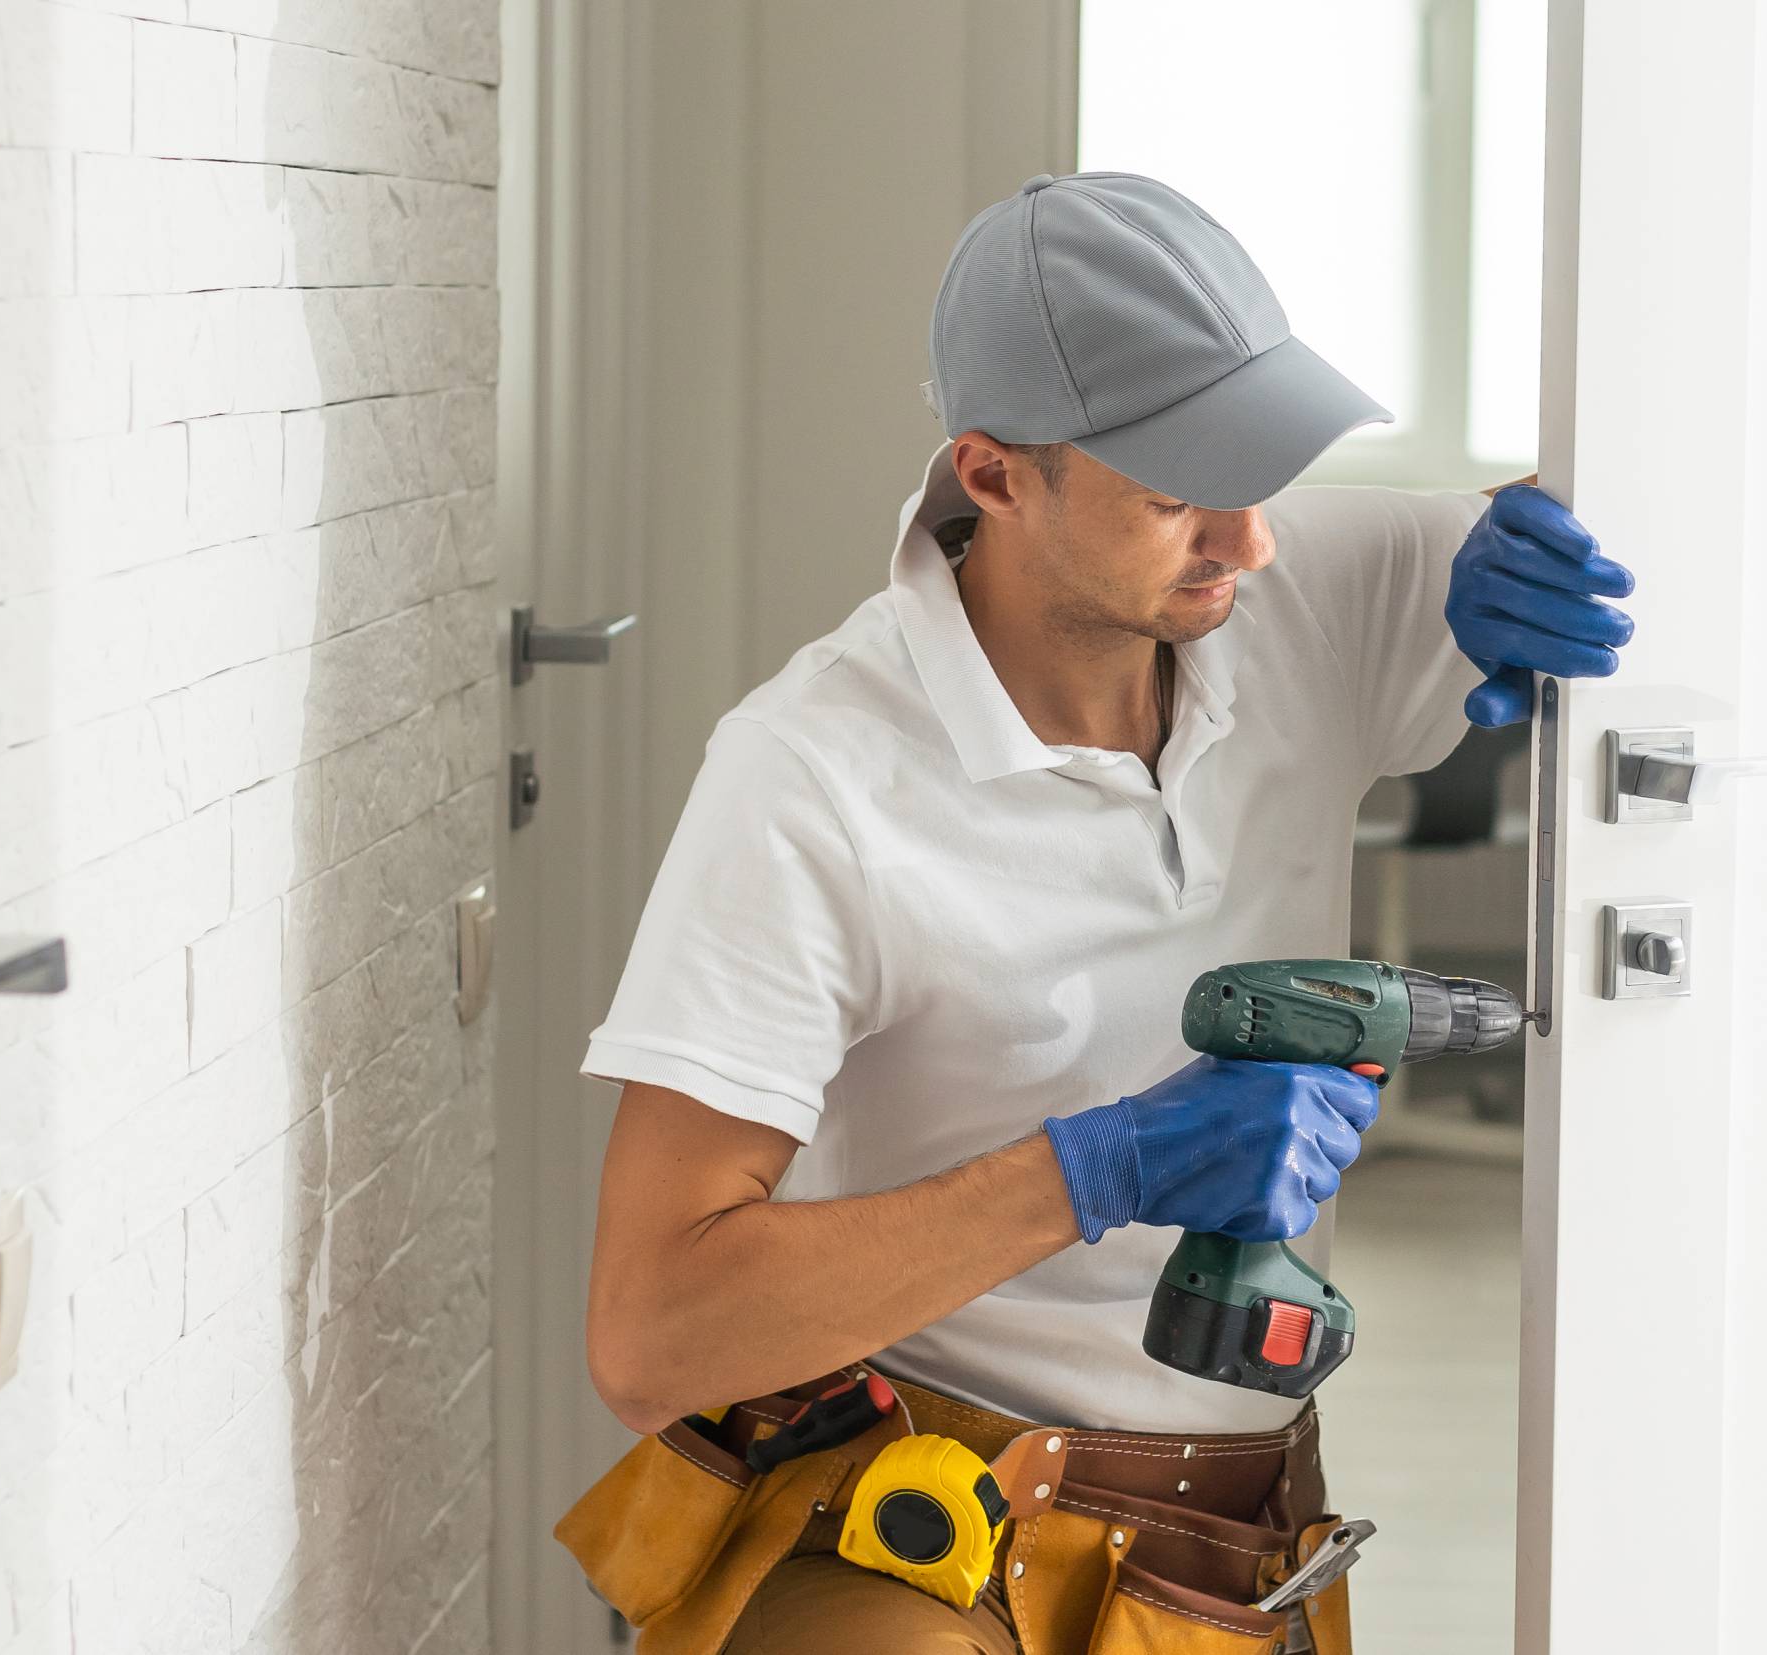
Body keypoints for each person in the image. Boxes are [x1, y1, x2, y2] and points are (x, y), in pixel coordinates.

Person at [574, 171, 1633, 1654]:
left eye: (1258, 475)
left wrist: (1552, 556)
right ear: (994, 477)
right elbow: (649, 1332)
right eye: (1175, 492)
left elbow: (1606, 498)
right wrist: (1106, 1166)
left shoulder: (1283, 589)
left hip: (1229, 1541)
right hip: (927, 1513)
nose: (1248, 540)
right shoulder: (811, 777)